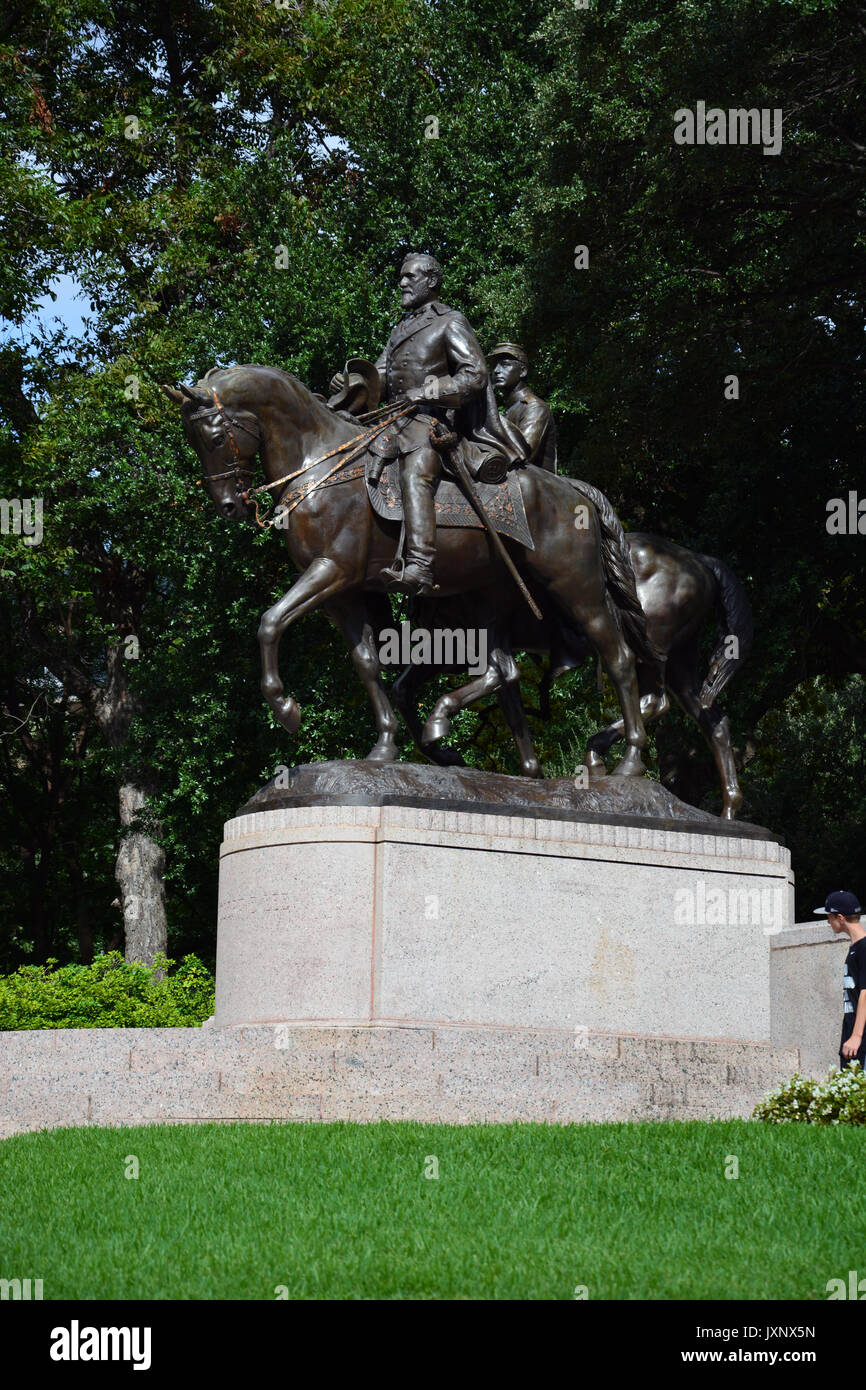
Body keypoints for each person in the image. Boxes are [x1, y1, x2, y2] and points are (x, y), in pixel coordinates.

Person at [329, 254, 526, 597]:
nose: (402, 283)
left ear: (431, 282)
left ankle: (420, 565)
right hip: (391, 420)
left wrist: (427, 391)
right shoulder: (400, 328)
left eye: (409, 277)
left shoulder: (451, 321)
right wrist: (350, 380)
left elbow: (476, 375)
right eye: (401, 277)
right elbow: (381, 376)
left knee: (415, 472)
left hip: (428, 422)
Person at [815, 890, 866, 1070]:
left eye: (829, 917)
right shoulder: (855, 948)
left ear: (840, 917)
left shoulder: (863, 948)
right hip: (851, 1035)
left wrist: (857, 1036)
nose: (828, 922)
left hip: (860, 1040)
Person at [489, 342, 558, 473]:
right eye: (495, 366)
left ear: (522, 371)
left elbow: (520, 453)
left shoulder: (534, 407)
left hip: (538, 487)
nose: (496, 370)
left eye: (505, 365)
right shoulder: (510, 409)